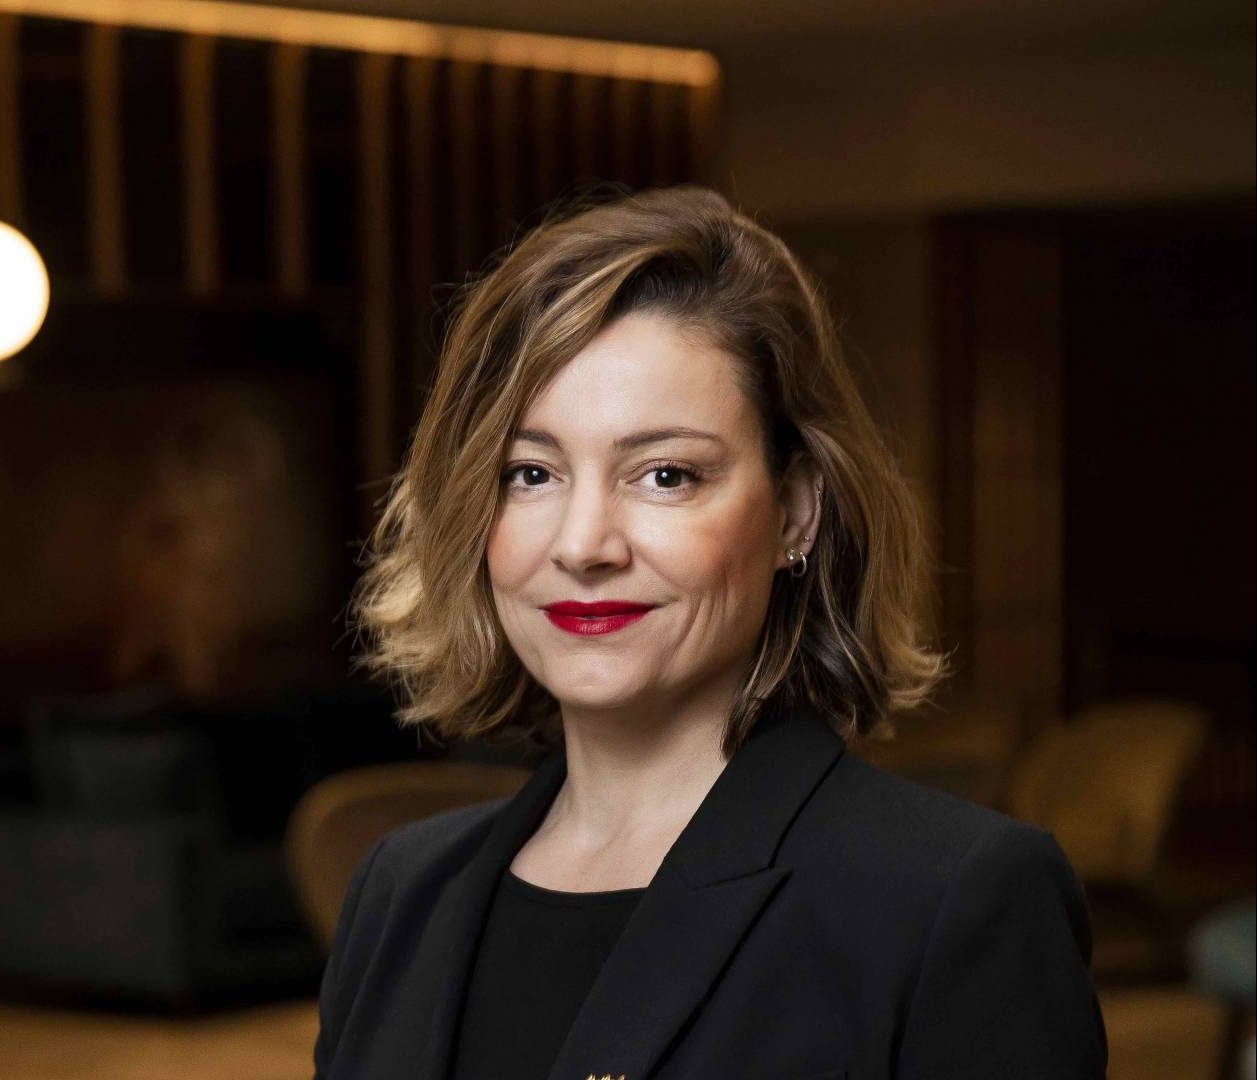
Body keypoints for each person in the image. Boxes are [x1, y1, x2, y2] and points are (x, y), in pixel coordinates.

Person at [314, 186, 1107, 1079]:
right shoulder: (399, 893)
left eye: (665, 475)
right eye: (530, 474)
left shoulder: (952, 896)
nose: (583, 545)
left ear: (795, 512)